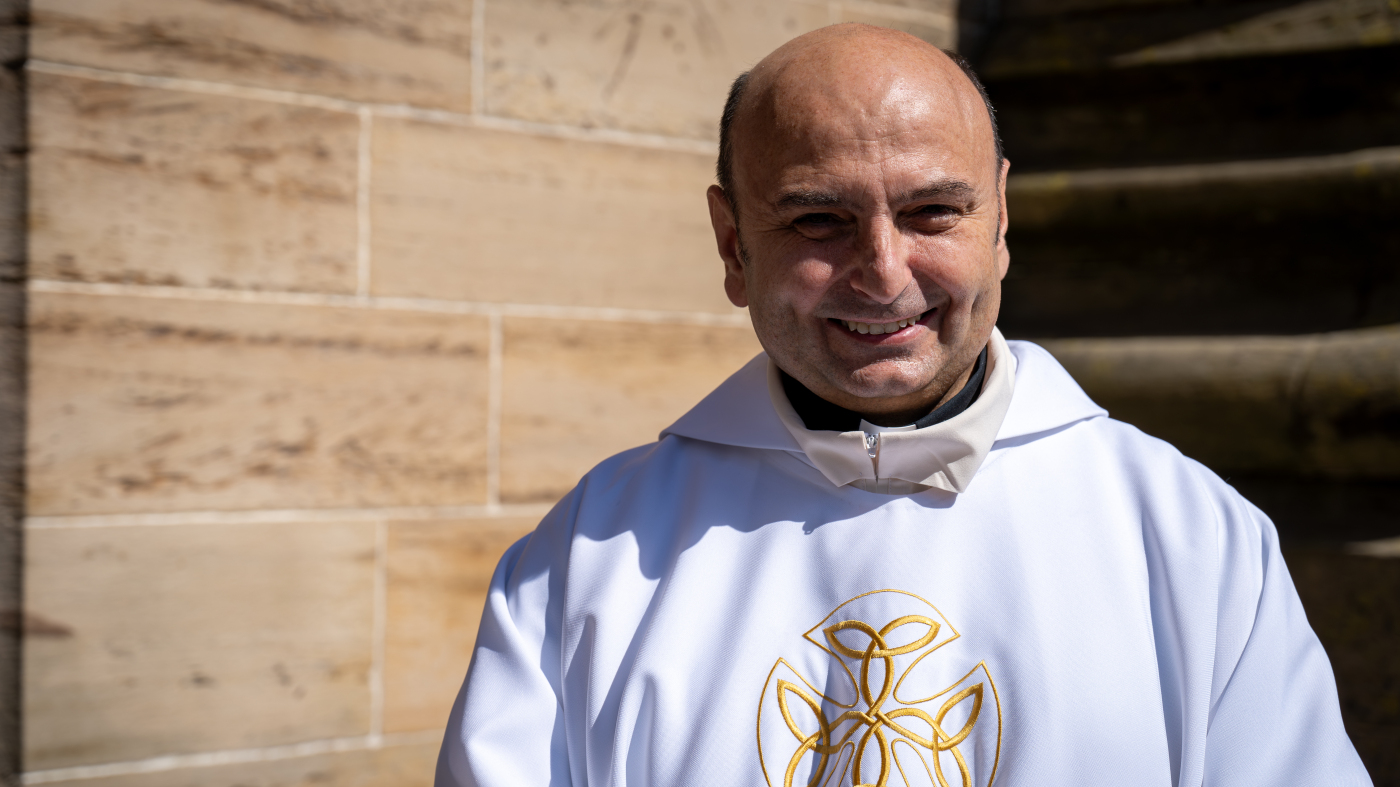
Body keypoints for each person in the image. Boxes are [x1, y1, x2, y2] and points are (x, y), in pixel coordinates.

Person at [436, 23, 1370, 787]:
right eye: (817, 219)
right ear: (731, 244)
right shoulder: (587, 559)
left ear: (1001, 221)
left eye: (934, 212)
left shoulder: (1190, 537)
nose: (884, 275)